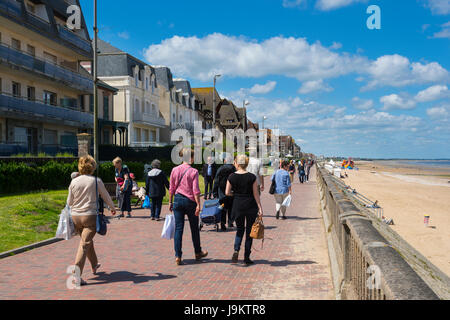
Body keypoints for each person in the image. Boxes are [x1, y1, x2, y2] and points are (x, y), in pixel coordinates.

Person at [67, 155, 116, 286]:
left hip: (75, 216)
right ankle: (76, 276)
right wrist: (112, 208)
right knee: (84, 245)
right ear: (92, 167)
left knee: (86, 241)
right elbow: (105, 196)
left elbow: (69, 202)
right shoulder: (96, 181)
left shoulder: (74, 182)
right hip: (90, 216)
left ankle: (94, 264)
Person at [169, 147, 208, 266]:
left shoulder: (175, 170)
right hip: (190, 201)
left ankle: (178, 256)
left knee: (179, 229)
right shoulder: (193, 171)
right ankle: (197, 252)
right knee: (194, 228)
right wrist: (198, 204)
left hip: (178, 200)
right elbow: (195, 190)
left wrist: (170, 201)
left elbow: (171, 188)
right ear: (190, 157)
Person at [225, 154, 264, 265]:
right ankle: (247, 257)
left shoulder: (231, 176)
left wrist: (235, 194)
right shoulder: (252, 177)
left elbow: (227, 192)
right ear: (246, 164)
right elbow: (256, 194)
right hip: (250, 205)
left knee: (240, 229)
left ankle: (236, 249)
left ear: (236, 163)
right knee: (249, 232)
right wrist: (260, 207)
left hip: (238, 205)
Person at [213, 153, 236, 230]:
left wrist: (214, 192)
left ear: (225, 160)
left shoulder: (220, 168)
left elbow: (216, 181)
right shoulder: (234, 169)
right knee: (231, 207)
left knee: (222, 207)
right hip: (231, 191)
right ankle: (230, 222)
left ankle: (223, 223)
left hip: (221, 192)